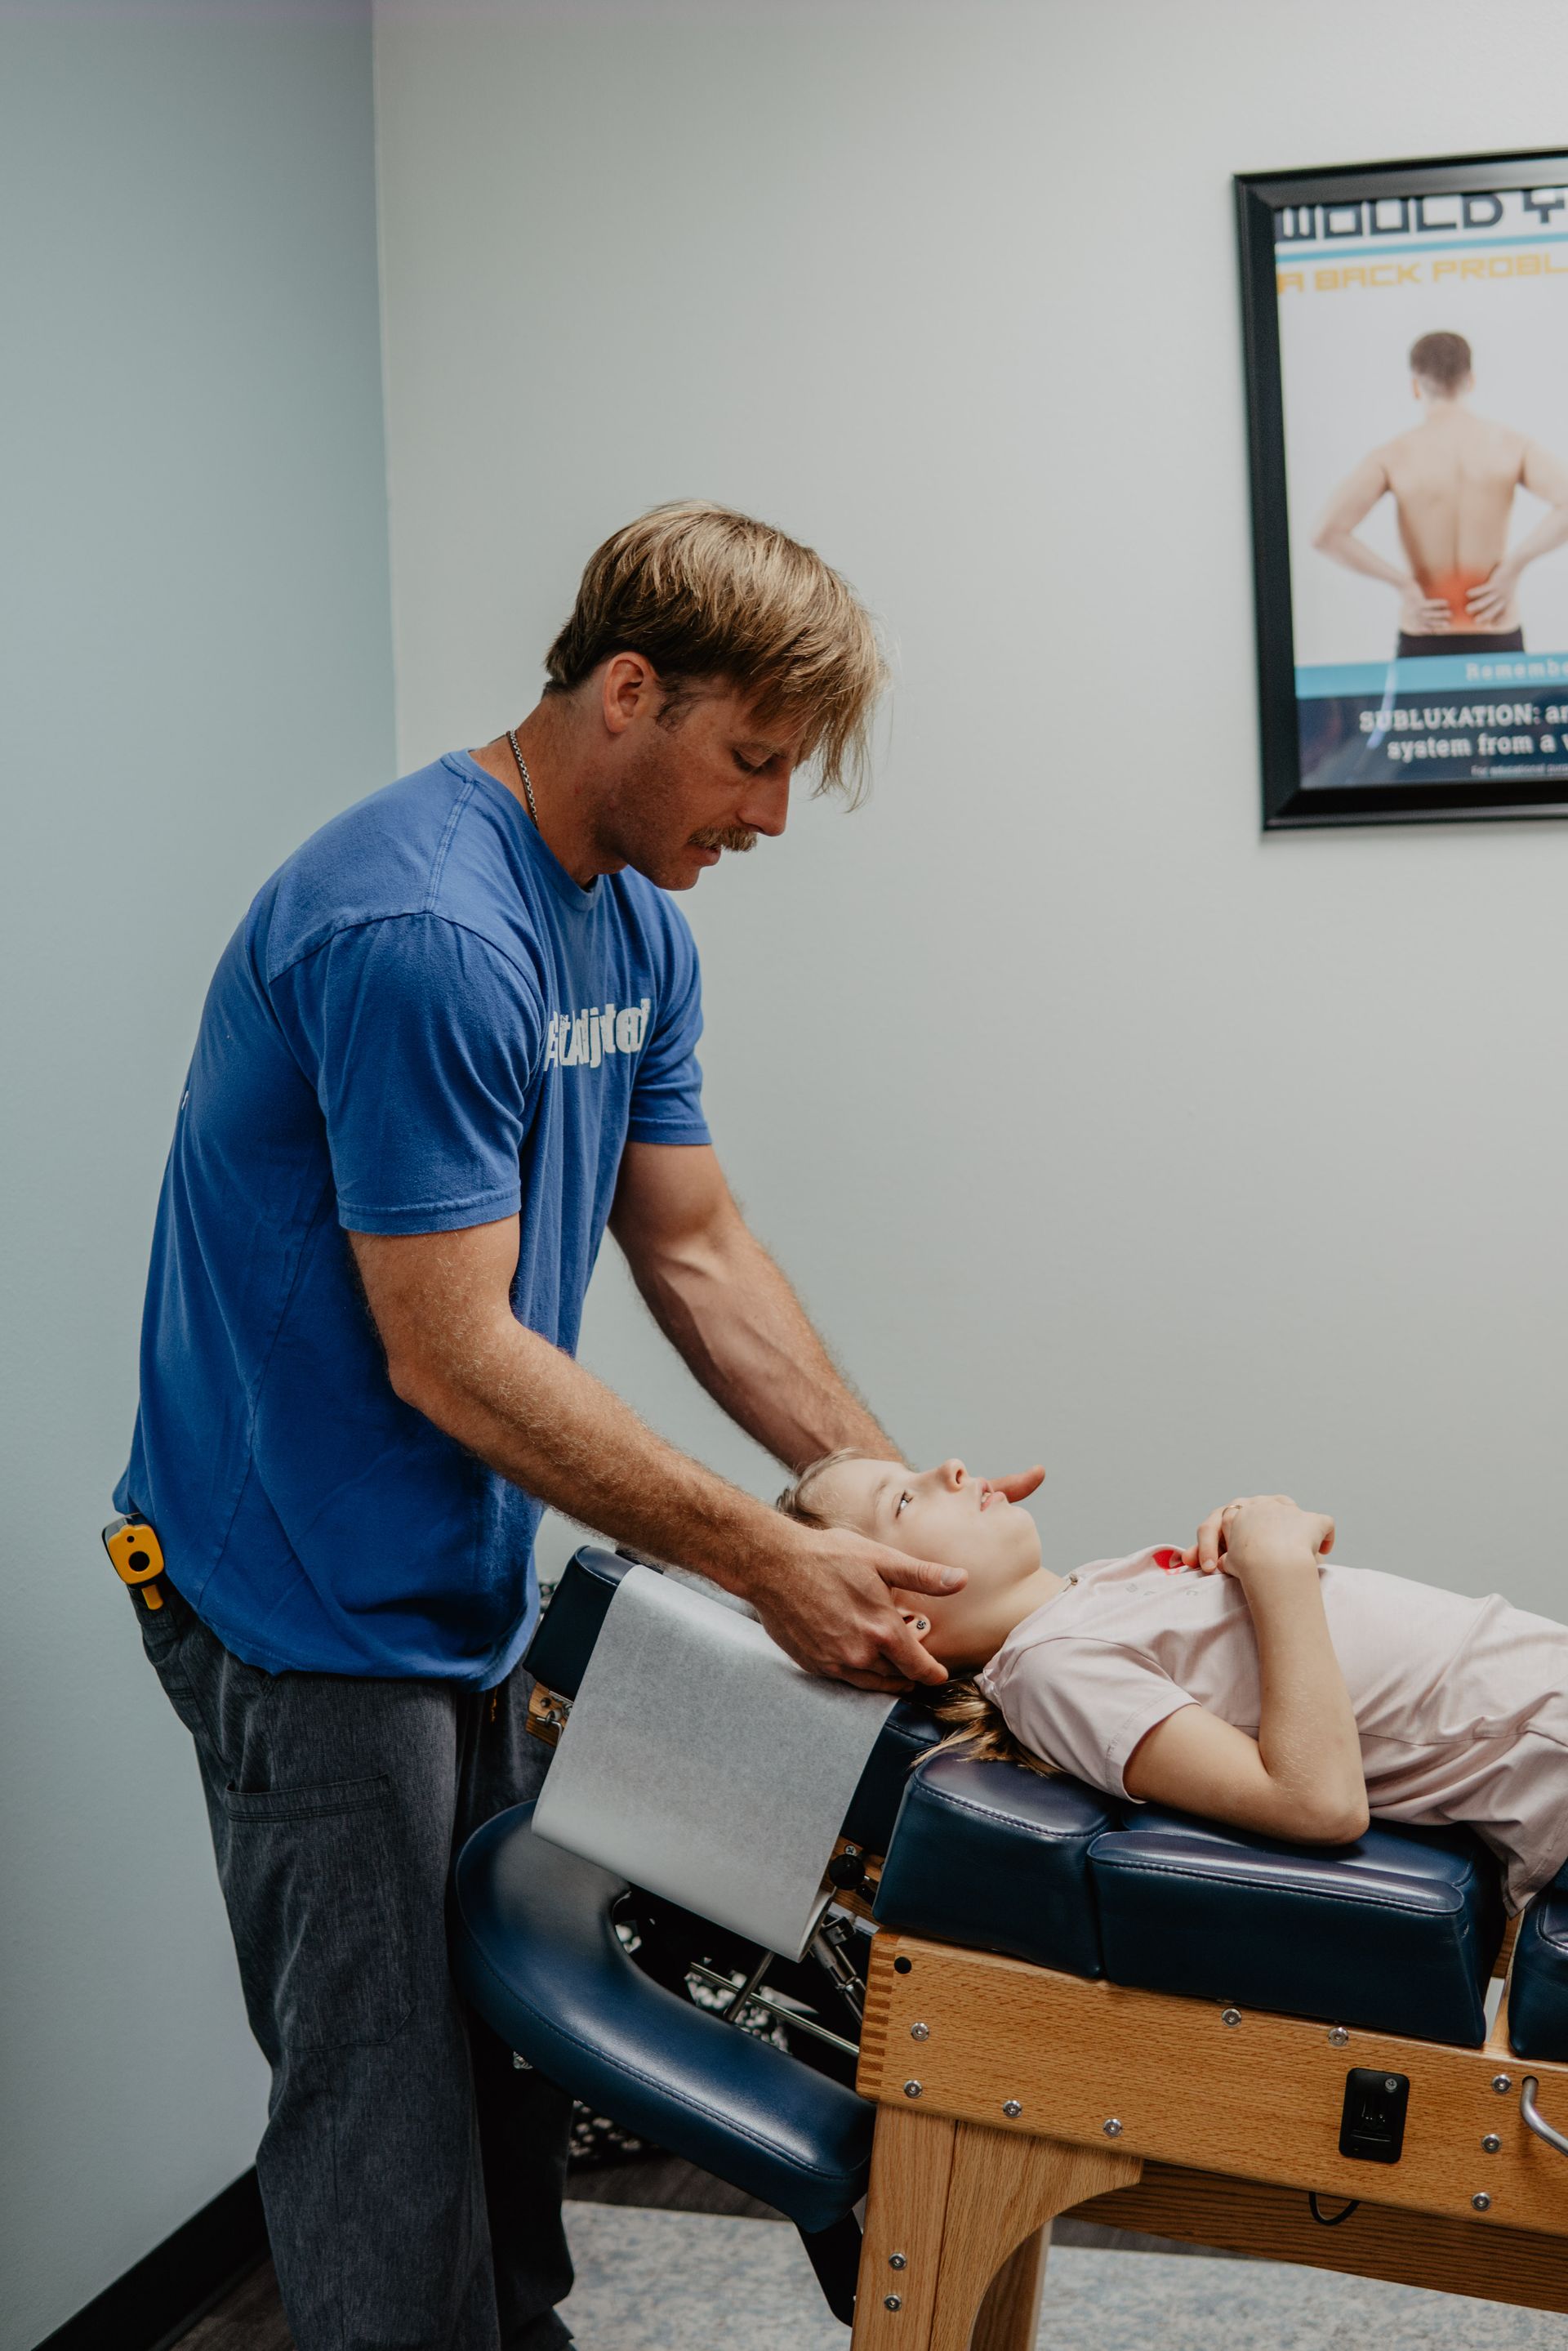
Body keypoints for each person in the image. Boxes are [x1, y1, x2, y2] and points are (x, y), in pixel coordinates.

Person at [114, 501, 1043, 2351]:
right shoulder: (423, 928)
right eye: (753, 758)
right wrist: (769, 1561)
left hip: (463, 1569)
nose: (772, 815)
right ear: (629, 692)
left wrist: (869, 1501)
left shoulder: (630, 927)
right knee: (384, 2099)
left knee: (508, 2059)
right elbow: (454, 1358)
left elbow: (695, 1246)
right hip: (296, 1592)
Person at [779, 1452, 1568, 1915]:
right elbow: (1317, 1803)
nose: (952, 1466)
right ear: (906, 1621)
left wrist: (1260, 1529)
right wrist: (1277, 1565)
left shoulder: (1091, 1596)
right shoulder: (1051, 1669)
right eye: (905, 1498)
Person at [1312, 329, 1568, 658]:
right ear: (1470, 381)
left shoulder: (1394, 455)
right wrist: (1514, 566)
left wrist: (1403, 585)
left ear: (1415, 386)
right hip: (1494, 624)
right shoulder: (1512, 446)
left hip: (1426, 627)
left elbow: (1325, 534)